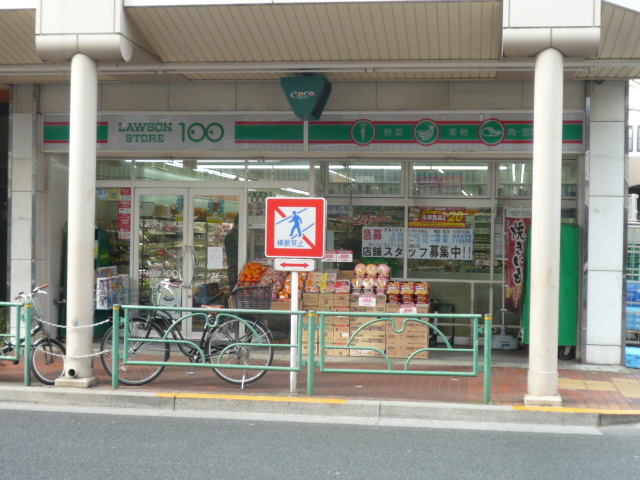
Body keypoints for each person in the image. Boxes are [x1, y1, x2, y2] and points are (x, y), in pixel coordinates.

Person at [224, 215, 239, 291]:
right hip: (233, 266)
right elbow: (232, 253)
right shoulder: (230, 235)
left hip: (236, 265)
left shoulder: (238, 234)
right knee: (234, 288)